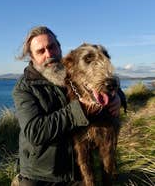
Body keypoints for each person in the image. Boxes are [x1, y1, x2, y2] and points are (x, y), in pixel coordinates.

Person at [12, 26, 123, 186]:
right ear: (32, 56)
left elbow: (101, 82)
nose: (49, 54)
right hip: (40, 174)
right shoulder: (25, 87)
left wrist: (117, 96)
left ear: (59, 47)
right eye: (41, 51)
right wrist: (80, 110)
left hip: (75, 170)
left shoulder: (72, 70)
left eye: (52, 47)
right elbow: (34, 132)